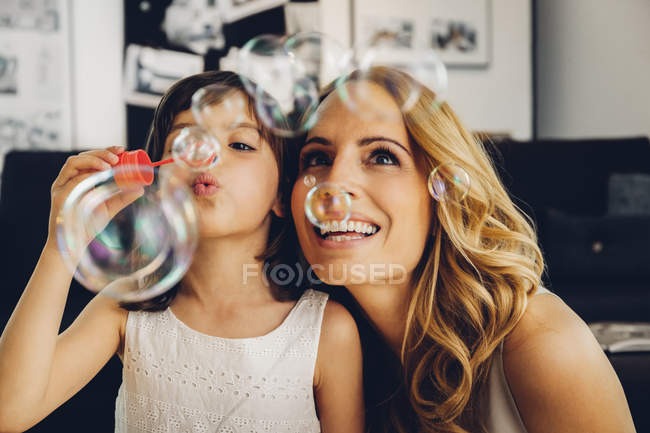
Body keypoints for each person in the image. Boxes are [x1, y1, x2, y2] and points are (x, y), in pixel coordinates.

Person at [0, 70, 364, 433]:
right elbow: (9, 412)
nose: (206, 156)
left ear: (283, 196)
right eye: (186, 142)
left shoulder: (326, 331)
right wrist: (63, 242)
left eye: (240, 145)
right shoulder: (126, 307)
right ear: (156, 182)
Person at [291, 67, 636, 433]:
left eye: (382, 156)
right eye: (317, 158)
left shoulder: (542, 342)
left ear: (443, 191)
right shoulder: (318, 346)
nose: (334, 184)